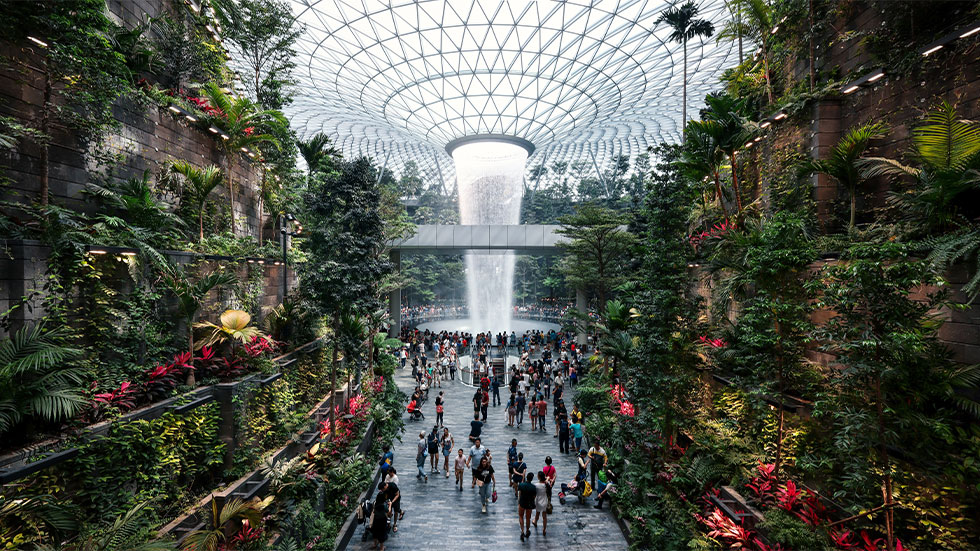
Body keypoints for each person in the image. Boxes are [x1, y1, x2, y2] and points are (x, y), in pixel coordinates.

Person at [370, 483, 391, 550]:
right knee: (382, 533)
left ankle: (374, 544)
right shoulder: (383, 506)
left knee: (375, 531)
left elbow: (373, 511)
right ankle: (381, 548)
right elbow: (388, 512)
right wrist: (390, 505)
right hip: (382, 520)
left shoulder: (376, 504)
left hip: (376, 519)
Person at [517, 473, 536, 541]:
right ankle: (527, 530)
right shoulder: (533, 487)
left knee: (521, 516)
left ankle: (522, 531)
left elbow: (520, 493)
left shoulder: (521, 485)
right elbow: (534, 497)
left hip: (522, 502)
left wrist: (519, 501)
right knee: (528, 518)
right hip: (529, 503)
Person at [533, 471, 550, 536]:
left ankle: (535, 522)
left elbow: (534, 494)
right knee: (544, 517)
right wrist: (547, 479)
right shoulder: (546, 484)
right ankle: (544, 529)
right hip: (545, 501)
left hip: (538, 501)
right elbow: (547, 479)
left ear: (539, 477)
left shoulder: (536, 485)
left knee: (537, 514)